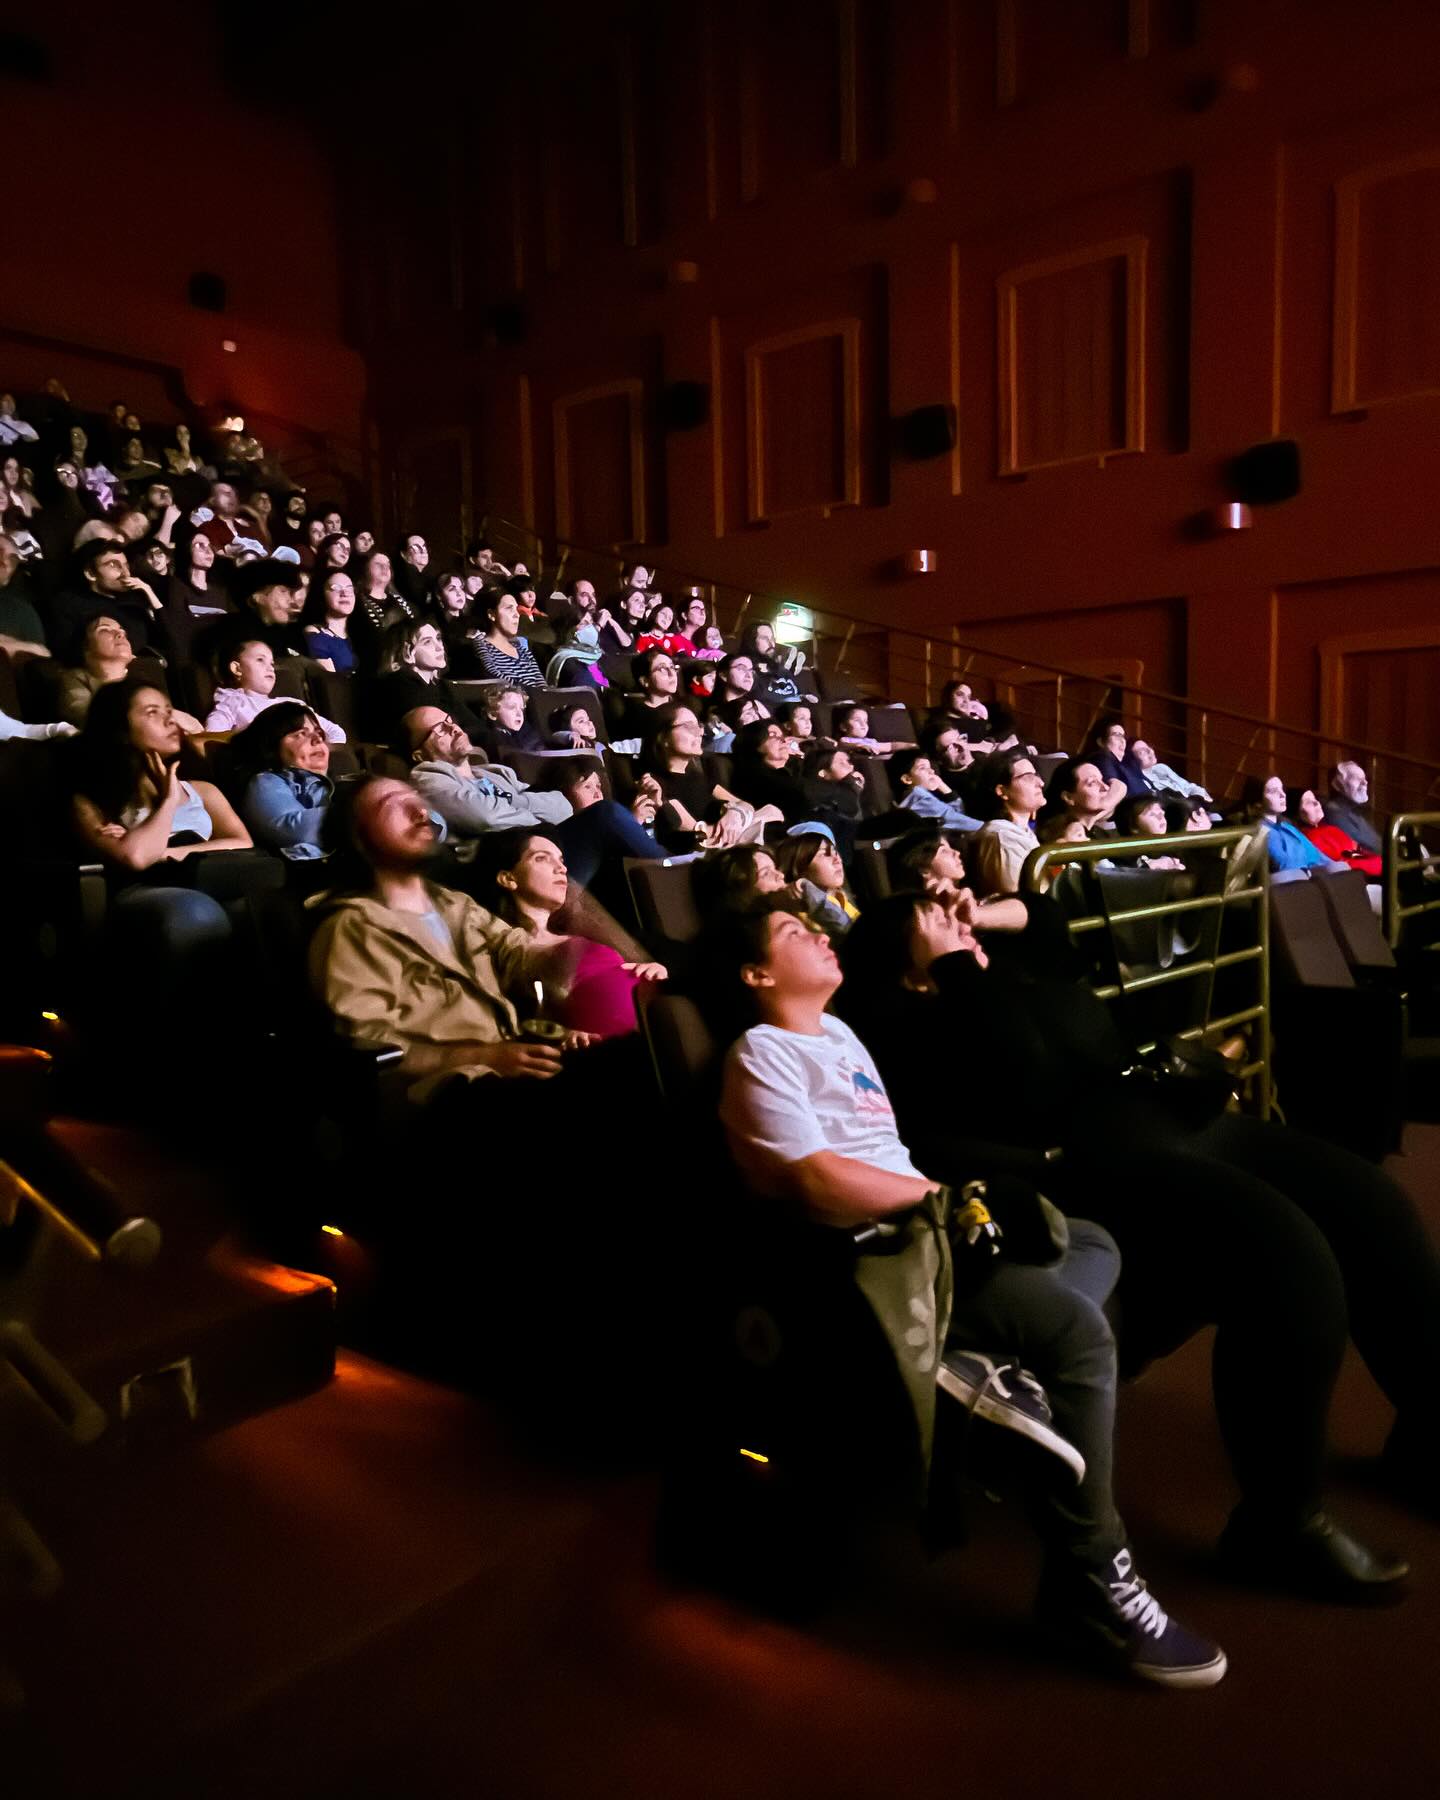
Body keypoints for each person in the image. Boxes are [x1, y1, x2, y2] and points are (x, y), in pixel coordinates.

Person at [836, 888, 1435, 1595]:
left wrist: (979, 922)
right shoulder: (914, 1021)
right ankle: (1281, 1524)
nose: (955, 912)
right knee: (1291, 1259)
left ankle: (1426, 1437)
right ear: (906, 965)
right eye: (932, 916)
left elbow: (1049, 922)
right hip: (1094, 1168)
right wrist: (955, 965)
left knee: (1374, 1206)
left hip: (1173, 1122)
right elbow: (1026, 1071)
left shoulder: (1003, 967)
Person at [716, 902, 1226, 1687]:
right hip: (871, 1256)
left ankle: (991, 1369)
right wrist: (944, 1200)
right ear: (756, 974)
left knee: (1092, 1241)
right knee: (1078, 1334)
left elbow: (886, 1151)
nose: (818, 932)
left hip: (929, 1224)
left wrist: (957, 1200)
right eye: (791, 934)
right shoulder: (760, 1052)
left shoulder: (841, 1035)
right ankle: (1090, 1578)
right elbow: (815, 1180)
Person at [308, 777, 581, 1105]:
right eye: (391, 805)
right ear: (360, 838)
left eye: (414, 798)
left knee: (619, 1057)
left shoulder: (455, 905)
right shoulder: (352, 927)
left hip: (507, 1063)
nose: (420, 811)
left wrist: (582, 957)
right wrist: (486, 1056)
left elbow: (515, 951)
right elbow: (369, 1047)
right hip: (443, 1093)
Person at [68, 679, 253, 992]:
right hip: (140, 890)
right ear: (121, 730)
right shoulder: (92, 800)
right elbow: (135, 858)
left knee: (256, 911)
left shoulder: (202, 790)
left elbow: (242, 842)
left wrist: (167, 853)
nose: (170, 720)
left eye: (169, 711)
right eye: (152, 712)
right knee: (196, 913)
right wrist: (167, 801)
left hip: (203, 878)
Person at [470, 828, 666, 1038]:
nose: (561, 868)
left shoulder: (578, 933)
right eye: (541, 858)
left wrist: (654, 970)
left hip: (661, 1017)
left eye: (561, 860)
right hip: (611, 1045)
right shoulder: (505, 952)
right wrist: (562, 1035)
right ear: (508, 878)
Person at [235, 701, 335, 860]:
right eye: (300, 734)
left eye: (318, 732)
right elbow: (295, 831)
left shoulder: (341, 780)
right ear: (272, 747)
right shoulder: (266, 781)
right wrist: (360, 811)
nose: (317, 739)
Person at [368, 618, 484, 750]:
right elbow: (438, 735)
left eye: (438, 639)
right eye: (427, 642)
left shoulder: (438, 685)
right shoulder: (398, 686)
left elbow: (475, 725)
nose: (439, 647)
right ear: (406, 652)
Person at [203, 634, 345, 740]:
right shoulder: (233, 702)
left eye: (271, 663)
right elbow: (212, 735)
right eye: (260, 660)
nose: (270, 668)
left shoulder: (292, 704)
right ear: (237, 668)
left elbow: (336, 732)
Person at [50, 538, 166, 657]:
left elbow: (168, 642)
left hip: (148, 666)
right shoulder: (70, 602)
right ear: (90, 573)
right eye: (113, 565)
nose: (126, 573)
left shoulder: (134, 601)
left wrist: (150, 594)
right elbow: (64, 651)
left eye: (126, 566)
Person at [971, 750, 1048, 896]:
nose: (1041, 783)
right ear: (1002, 790)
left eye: (1036, 775)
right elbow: (1022, 897)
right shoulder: (1002, 836)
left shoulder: (1023, 832)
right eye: (1028, 777)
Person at [1239, 775, 1347, 874]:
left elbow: (1317, 855)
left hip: (1310, 876)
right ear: (1258, 802)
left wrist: (1336, 867)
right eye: (1273, 791)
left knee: (1340, 868)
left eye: (1282, 789)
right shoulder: (1261, 829)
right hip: (1293, 882)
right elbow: (1285, 865)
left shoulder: (1287, 825)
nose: (1282, 795)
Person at [774, 824, 859, 934]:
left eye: (835, 851)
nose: (837, 859)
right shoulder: (804, 919)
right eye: (824, 854)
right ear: (800, 867)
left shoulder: (842, 899)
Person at [888, 748, 986, 831]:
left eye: (930, 767)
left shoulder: (918, 798)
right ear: (907, 779)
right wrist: (989, 827)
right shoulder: (919, 799)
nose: (931, 771)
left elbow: (959, 816)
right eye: (922, 768)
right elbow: (962, 822)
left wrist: (942, 785)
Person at [1294, 786, 1382, 876]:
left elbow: (1356, 851)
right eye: (1308, 802)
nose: (1316, 803)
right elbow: (1337, 866)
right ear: (1298, 813)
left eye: (1315, 799)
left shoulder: (1329, 828)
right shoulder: (1309, 839)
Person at [1037, 758, 1124, 846]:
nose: (1105, 787)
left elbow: (1120, 786)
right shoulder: (1065, 838)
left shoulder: (1096, 831)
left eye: (1102, 780)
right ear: (1068, 797)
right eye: (1092, 783)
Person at [473, 589, 545, 687]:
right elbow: (495, 677)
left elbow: (542, 685)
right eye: (509, 608)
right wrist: (529, 691)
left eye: (516, 609)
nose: (516, 615)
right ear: (492, 614)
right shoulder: (483, 645)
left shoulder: (522, 650)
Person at [616, 648, 682, 742]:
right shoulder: (638, 718)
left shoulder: (684, 706)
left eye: (672, 667)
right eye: (662, 669)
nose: (672, 674)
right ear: (645, 681)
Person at [300, 567, 359, 674]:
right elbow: (330, 679)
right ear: (322, 593)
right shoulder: (315, 634)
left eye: (349, 589)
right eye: (336, 588)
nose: (344, 593)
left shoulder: (361, 633)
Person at [0, 531, 47, 654]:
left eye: (12, 559)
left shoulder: (22, 612)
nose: (4, 561)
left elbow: (41, 653)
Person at [1130, 738, 1213, 807]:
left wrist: (1200, 795)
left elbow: (1187, 786)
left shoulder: (1161, 768)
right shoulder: (1141, 782)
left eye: (1149, 747)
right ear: (1132, 759)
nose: (1150, 751)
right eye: (1142, 752)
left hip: (1194, 803)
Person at [1084, 717, 1150, 802]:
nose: (1123, 741)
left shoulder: (1124, 763)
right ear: (1101, 742)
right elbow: (1115, 786)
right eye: (1117, 735)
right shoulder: (1102, 757)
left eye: (1123, 737)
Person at [1325, 762, 1383, 855]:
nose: (1365, 783)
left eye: (1364, 779)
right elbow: (1366, 847)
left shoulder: (1353, 811)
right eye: (1356, 778)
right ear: (1338, 784)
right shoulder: (1334, 814)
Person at [546, 603, 609, 689]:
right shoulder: (574, 668)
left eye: (591, 622)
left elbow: (604, 687)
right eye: (584, 624)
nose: (591, 627)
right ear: (570, 631)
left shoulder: (590, 658)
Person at [475, 683, 546, 757]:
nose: (519, 713)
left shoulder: (528, 736)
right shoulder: (490, 739)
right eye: (511, 707)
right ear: (492, 714)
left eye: (521, 709)